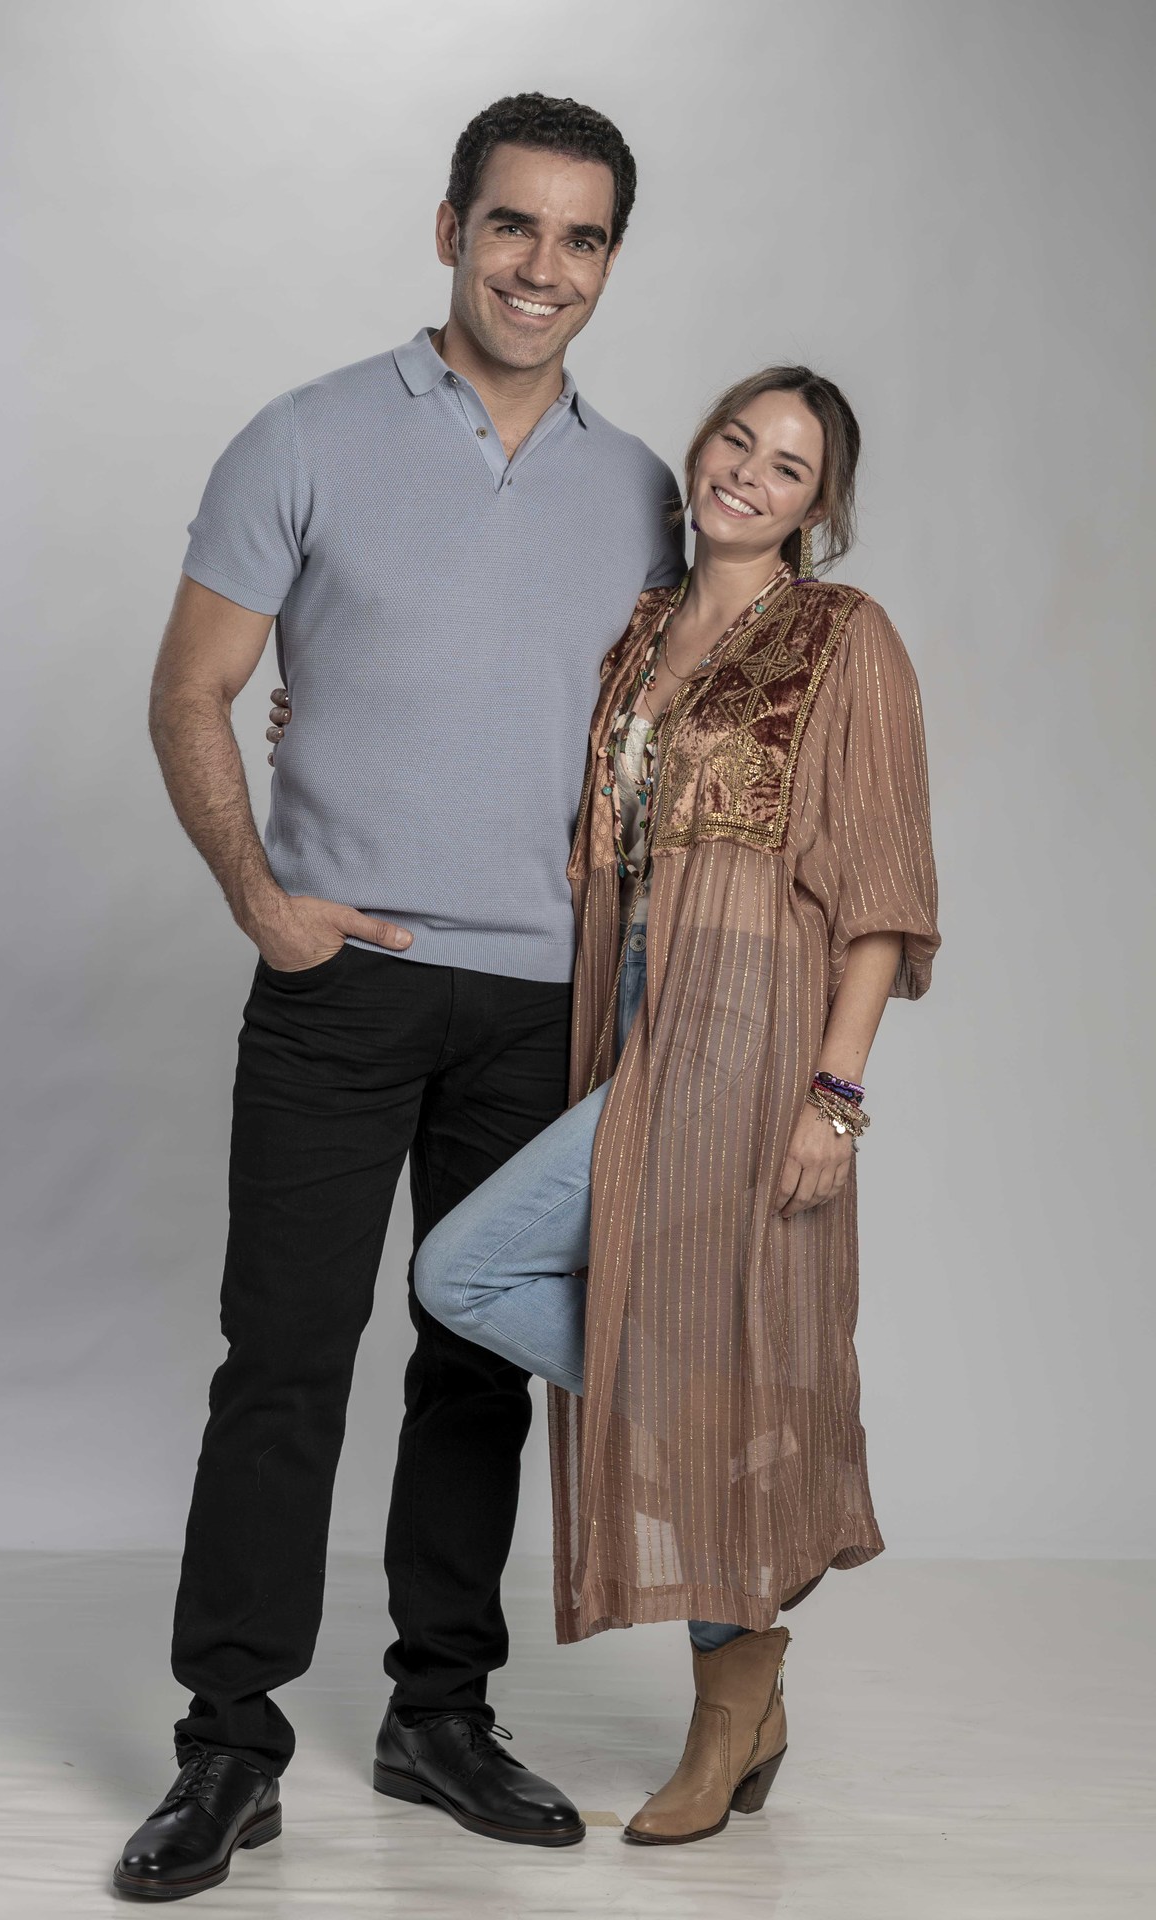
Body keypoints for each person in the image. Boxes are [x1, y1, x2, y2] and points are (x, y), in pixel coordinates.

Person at [112, 94, 686, 1900]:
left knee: (476, 1369)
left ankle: (441, 1714)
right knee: (282, 1363)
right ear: (451, 229)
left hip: (544, 1003)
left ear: (610, 262)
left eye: (581, 238)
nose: (542, 266)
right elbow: (191, 690)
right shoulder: (306, 436)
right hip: (343, 983)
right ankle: (229, 1745)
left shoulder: (646, 492)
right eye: (513, 225)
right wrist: (263, 902)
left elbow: (661, 748)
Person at [410, 366, 941, 1844]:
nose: (748, 475)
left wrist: (835, 1092)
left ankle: (729, 1705)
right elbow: (531, 771)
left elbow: (883, 884)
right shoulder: (641, 631)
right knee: (649, 1332)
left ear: (818, 507)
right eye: (736, 441)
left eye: (789, 467)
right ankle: (748, 1658)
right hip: (629, 1010)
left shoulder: (843, 635)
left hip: (752, 1031)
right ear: (699, 448)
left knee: (466, 1269)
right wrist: (323, 717)